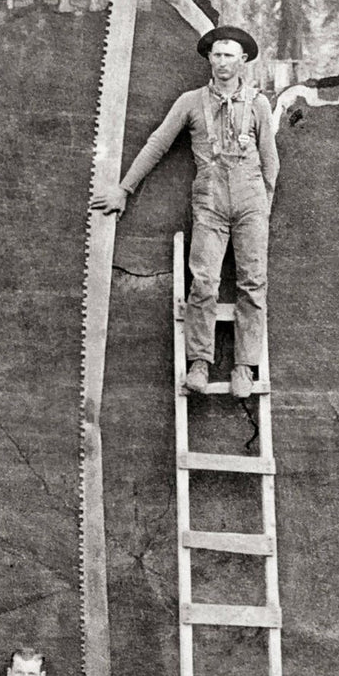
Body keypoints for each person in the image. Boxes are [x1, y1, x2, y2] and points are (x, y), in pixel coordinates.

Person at [91, 24, 278, 399]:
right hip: (209, 203)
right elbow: (157, 143)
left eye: (229, 55)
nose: (222, 62)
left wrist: (262, 209)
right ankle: (200, 363)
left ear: (243, 60)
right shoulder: (191, 102)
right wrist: (125, 189)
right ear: (209, 59)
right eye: (217, 54)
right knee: (204, 282)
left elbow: (270, 162)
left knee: (253, 284)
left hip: (251, 202)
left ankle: (244, 366)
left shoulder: (258, 104)